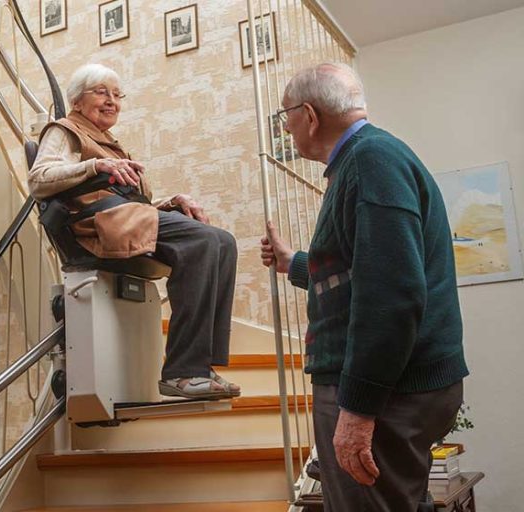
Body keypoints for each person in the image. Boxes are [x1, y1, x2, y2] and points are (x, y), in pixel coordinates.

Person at [260, 63, 469, 511]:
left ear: (309, 116)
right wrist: (292, 263)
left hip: (389, 390)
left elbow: (391, 295)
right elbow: (363, 273)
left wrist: (357, 409)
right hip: (396, 386)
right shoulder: (369, 159)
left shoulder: (370, 161)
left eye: (285, 115)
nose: (286, 127)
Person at [29, 63, 240, 400]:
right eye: (101, 92)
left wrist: (172, 201)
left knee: (223, 242)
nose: (111, 101)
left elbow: (130, 202)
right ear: (77, 101)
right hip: (97, 225)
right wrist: (95, 165)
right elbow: (39, 179)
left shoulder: (109, 143)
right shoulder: (65, 130)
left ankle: (201, 366)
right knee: (201, 240)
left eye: (117, 95)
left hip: (125, 217)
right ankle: (183, 372)